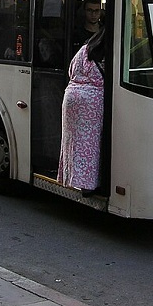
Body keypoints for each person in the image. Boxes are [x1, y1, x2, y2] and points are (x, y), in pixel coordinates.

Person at [58, 26, 107, 196]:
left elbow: (70, 69)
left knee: (72, 143)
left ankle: (71, 178)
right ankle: (88, 186)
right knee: (91, 145)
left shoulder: (86, 48)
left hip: (71, 97)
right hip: (92, 102)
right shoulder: (110, 51)